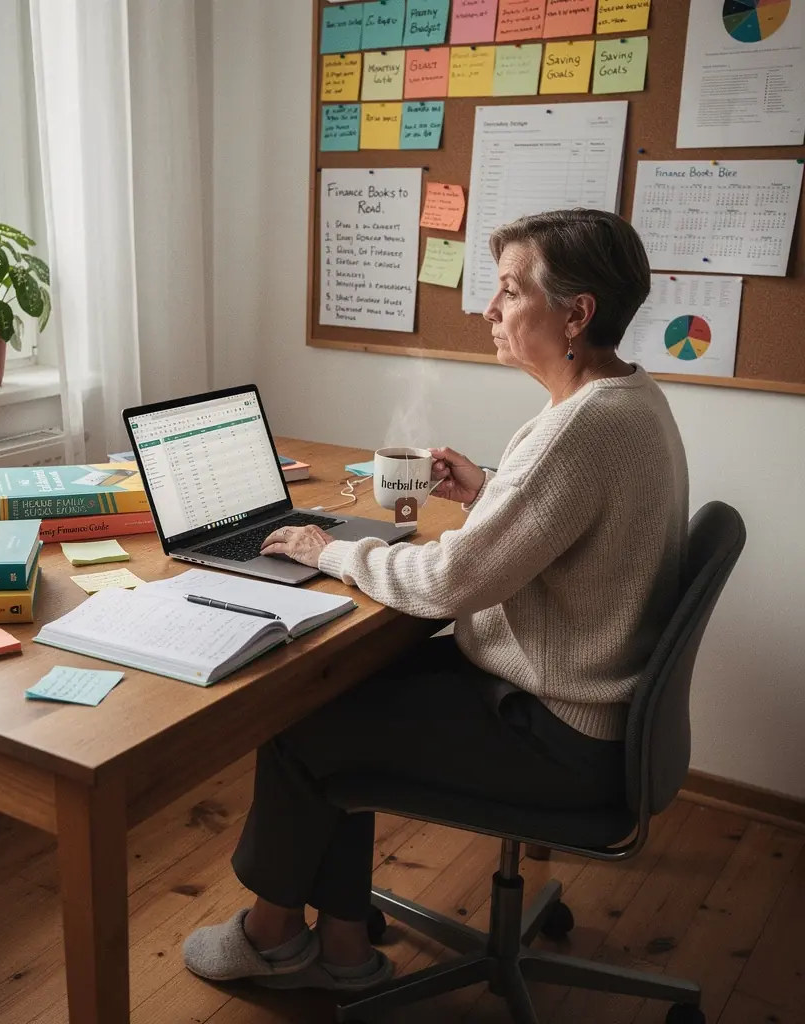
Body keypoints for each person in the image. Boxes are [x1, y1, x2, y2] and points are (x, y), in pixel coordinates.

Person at [182, 209, 689, 993]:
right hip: (579, 706)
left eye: (510, 291)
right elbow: (569, 526)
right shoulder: (626, 400)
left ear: (576, 313)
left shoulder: (580, 430)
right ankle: (344, 944)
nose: (488, 309)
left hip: (559, 738)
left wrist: (335, 551)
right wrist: (489, 489)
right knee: (342, 690)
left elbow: (450, 583)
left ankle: (270, 937)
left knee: (300, 720)